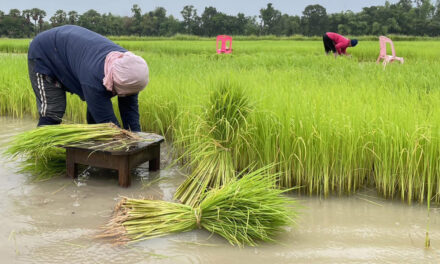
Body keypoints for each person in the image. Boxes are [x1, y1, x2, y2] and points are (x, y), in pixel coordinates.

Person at [27, 25, 149, 132]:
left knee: (97, 110)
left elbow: (130, 111)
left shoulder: (131, 69)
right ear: (112, 81)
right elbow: (108, 125)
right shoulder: (94, 80)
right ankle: (41, 154)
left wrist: (136, 137)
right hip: (45, 54)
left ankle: (93, 153)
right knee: (53, 112)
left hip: (73, 50)